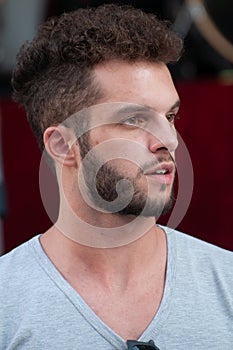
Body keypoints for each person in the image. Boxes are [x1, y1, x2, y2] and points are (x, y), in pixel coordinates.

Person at [0, 4, 233, 349]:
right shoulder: (8, 305)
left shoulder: (226, 283)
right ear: (63, 145)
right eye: (134, 120)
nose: (169, 141)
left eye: (169, 117)